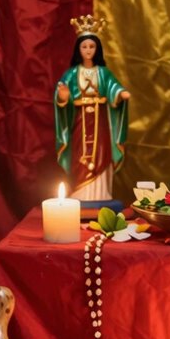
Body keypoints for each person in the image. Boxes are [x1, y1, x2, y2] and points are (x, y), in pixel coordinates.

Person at [54, 15, 130, 201]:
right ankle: (81, 194)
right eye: (84, 46)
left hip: (101, 121)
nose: (88, 50)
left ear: (97, 49)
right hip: (79, 121)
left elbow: (113, 86)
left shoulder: (103, 72)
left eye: (92, 46)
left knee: (102, 153)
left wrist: (119, 94)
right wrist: (62, 97)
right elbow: (61, 94)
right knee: (80, 154)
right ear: (78, 49)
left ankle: (101, 194)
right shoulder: (72, 73)